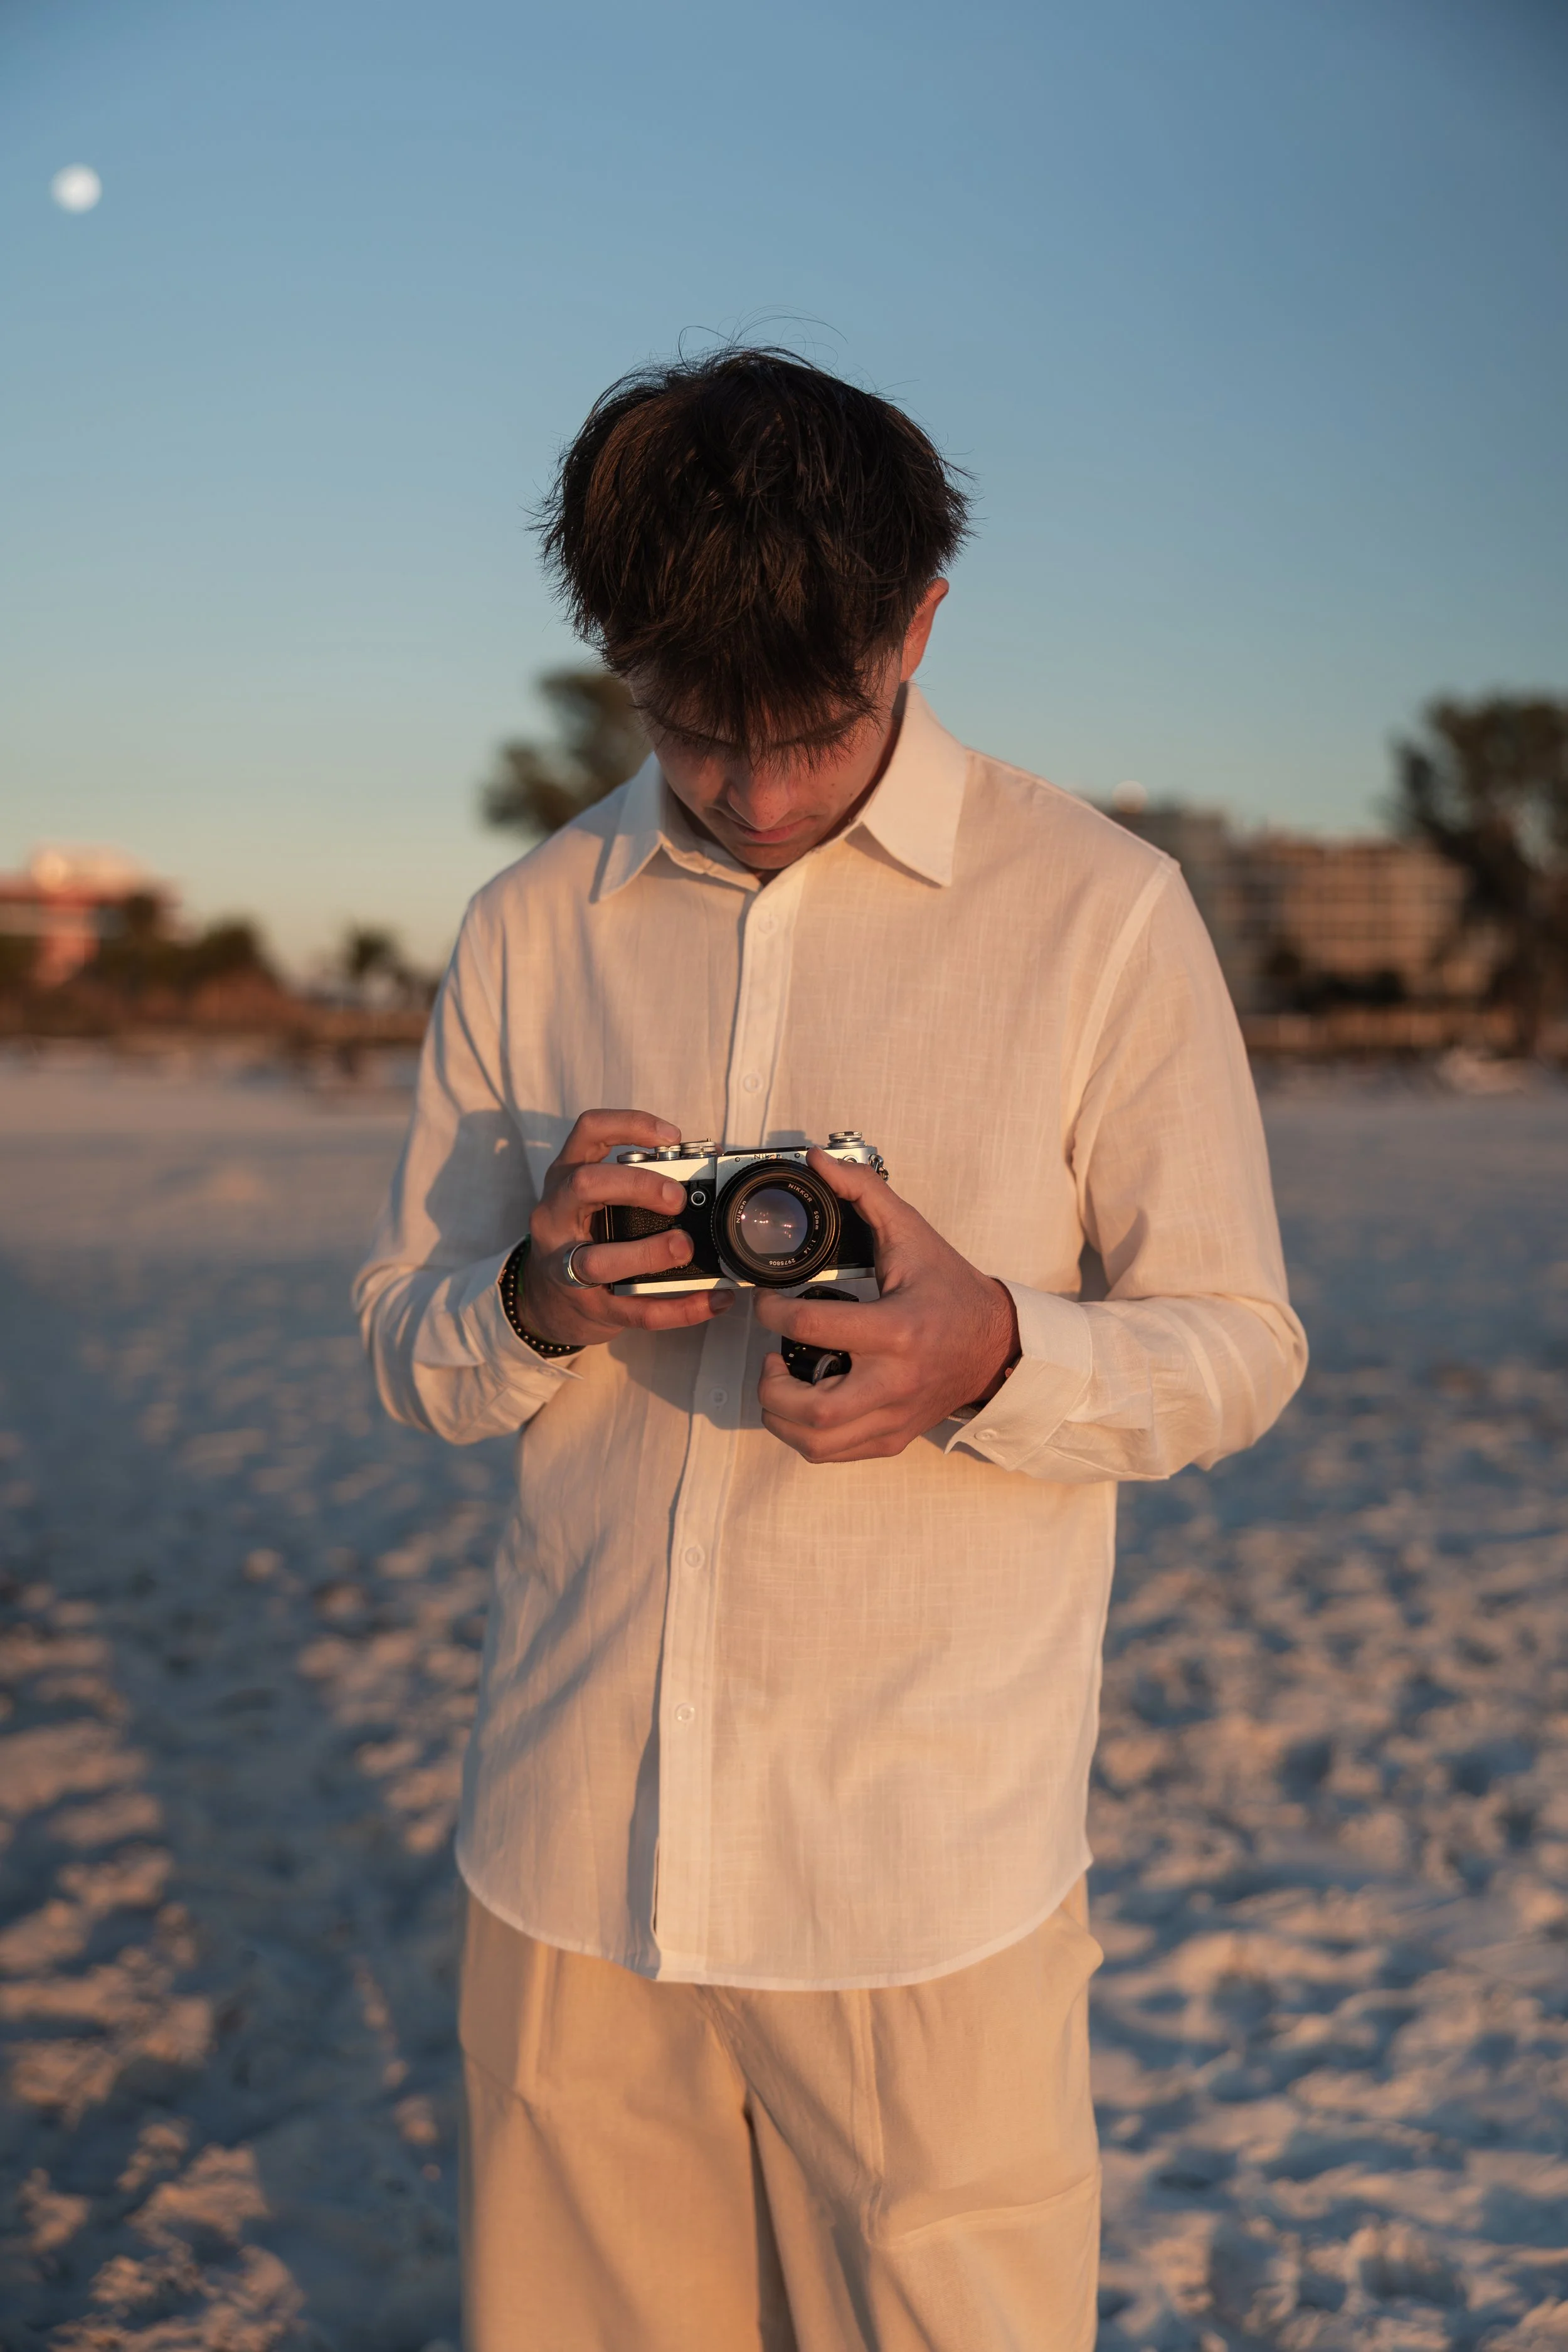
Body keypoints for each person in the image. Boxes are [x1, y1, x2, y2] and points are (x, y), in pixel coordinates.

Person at [354, 347, 1307, 2352]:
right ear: (614, 650)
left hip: (920, 1879)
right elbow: (411, 1357)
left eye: (814, 725)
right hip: (566, 1857)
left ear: (922, 621)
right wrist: (535, 1299)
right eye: (696, 730)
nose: (761, 793)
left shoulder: (1102, 914)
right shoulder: (532, 920)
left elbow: (1236, 1347)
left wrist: (988, 1354)